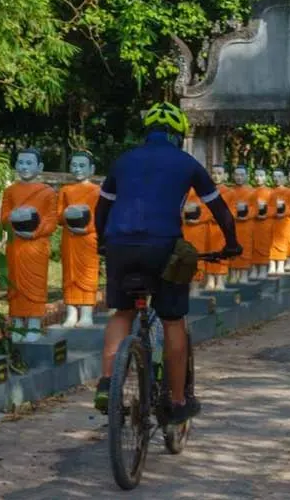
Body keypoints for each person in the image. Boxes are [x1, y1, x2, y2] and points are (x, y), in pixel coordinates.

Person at [92, 101, 241, 424]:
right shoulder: (186, 163)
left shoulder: (124, 160)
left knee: (123, 311)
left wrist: (102, 241)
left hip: (120, 246)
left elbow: (101, 209)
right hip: (163, 247)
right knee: (173, 320)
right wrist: (232, 243)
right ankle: (176, 400)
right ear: (176, 135)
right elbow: (220, 212)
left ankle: (107, 382)